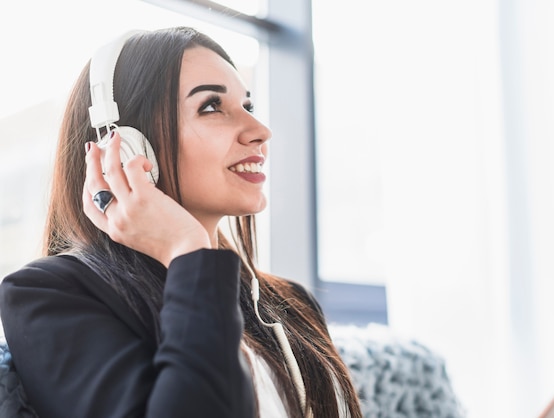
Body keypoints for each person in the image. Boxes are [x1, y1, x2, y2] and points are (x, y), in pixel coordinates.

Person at [0, 26, 362, 418]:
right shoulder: (49, 293)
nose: (260, 132)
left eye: (249, 107)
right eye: (211, 106)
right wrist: (187, 250)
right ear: (125, 146)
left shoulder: (290, 302)